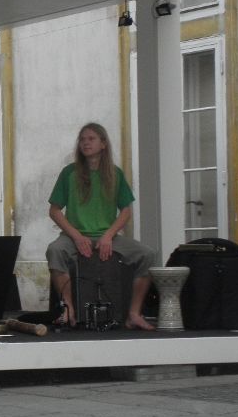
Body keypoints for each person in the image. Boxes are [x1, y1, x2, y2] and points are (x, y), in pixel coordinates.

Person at [45, 123, 156, 330]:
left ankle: (134, 313)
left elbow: (126, 211)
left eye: (91, 139)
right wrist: (76, 236)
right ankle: (68, 309)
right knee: (55, 251)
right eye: (82, 139)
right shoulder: (69, 173)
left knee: (147, 255)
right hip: (73, 236)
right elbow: (54, 210)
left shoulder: (115, 174)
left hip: (107, 235)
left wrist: (108, 236)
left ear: (103, 144)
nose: (85, 143)